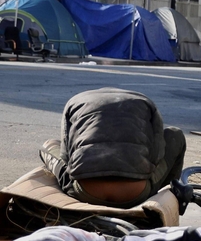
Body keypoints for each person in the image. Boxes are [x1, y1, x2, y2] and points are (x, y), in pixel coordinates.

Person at [37, 88, 186, 207]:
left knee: (49, 146)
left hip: (84, 192)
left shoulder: (74, 103)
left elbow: (66, 155)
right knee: (175, 135)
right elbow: (157, 155)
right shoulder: (146, 104)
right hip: (136, 194)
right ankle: (169, 196)